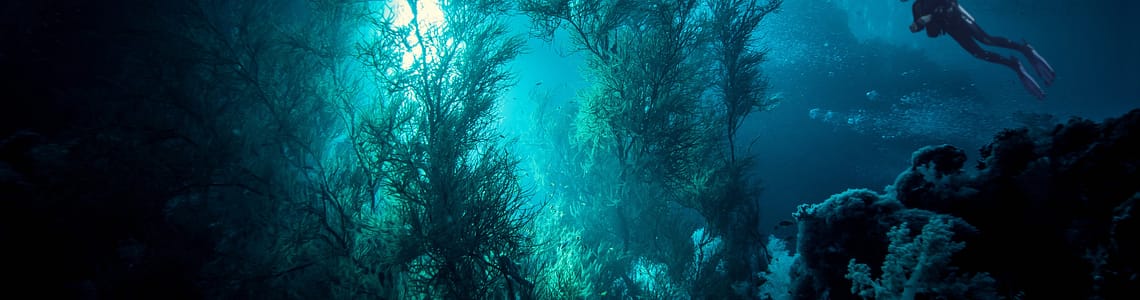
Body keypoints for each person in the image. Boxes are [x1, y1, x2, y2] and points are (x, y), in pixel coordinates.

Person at [903, 0, 1056, 100]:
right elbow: (931, 32)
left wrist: (929, 17)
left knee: (986, 40)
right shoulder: (917, 6)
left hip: (961, 19)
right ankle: (1013, 65)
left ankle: (1024, 48)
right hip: (952, 30)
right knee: (978, 53)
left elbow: (951, 5)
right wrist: (917, 26)